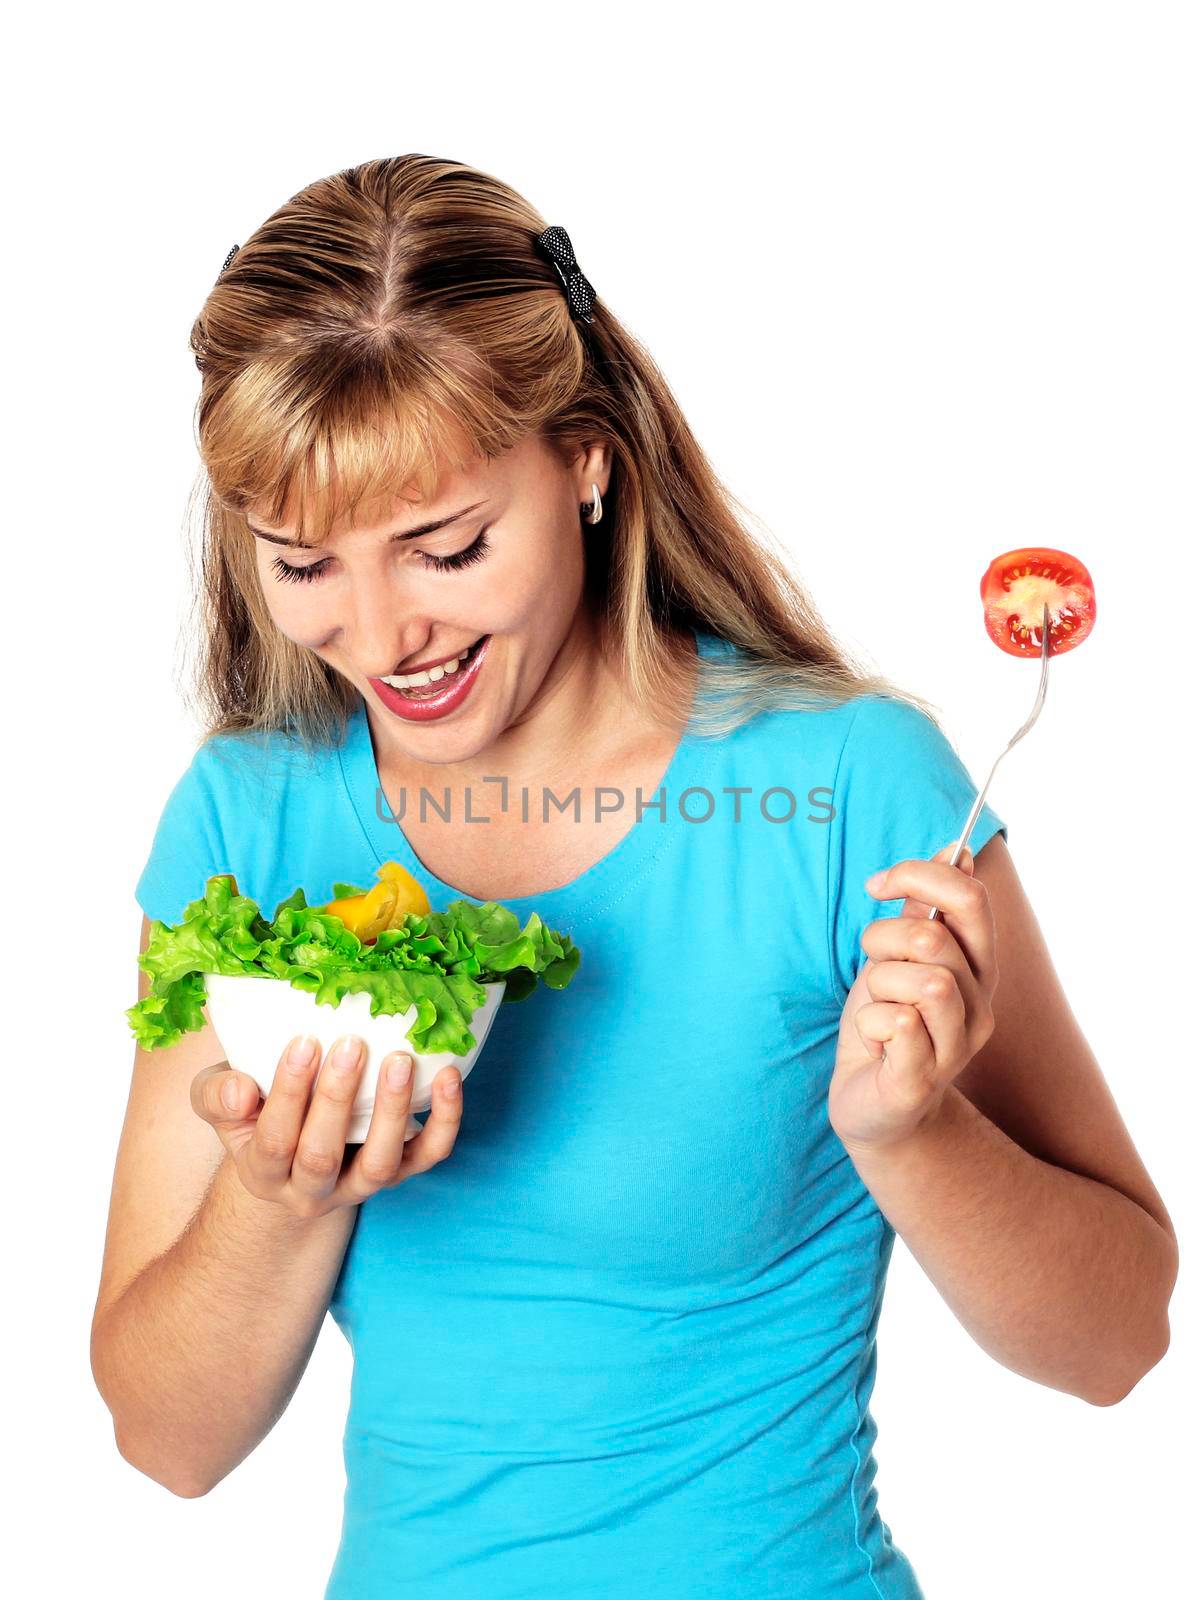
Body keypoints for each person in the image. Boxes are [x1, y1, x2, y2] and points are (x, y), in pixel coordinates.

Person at [91, 154, 1178, 1599]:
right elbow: (166, 1442)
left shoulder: (856, 789)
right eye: (304, 568)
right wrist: (278, 1199)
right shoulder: (249, 821)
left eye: (447, 547)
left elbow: (1118, 1347)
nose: (379, 635)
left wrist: (915, 1139)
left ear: (588, 460)